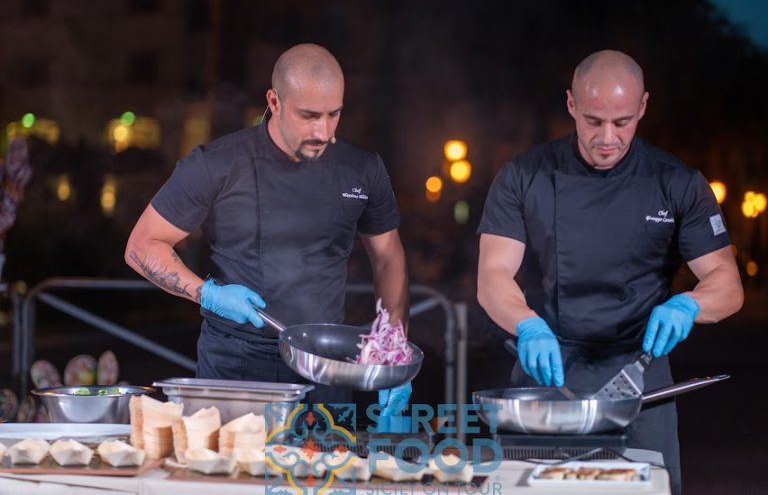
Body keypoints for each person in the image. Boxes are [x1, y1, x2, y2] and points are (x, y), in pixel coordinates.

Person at [476, 50, 743, 495]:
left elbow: (727, 283)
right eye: (593, 120)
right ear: (571, 106)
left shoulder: (676, 183)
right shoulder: (525, 176)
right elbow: (493, 274)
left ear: (642, 108)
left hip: (639, 384)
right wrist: (527, 325)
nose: (606, 137)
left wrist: (688, 303)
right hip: (548, 380)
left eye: (621, 122)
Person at [125, 43, 412, 419]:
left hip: (326, 369)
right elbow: (142, 245)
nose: (323, 131)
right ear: (274, 102)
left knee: (325, 475)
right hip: (236, 369)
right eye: (308, 116)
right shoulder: (218, 164)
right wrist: (207, 293)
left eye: (333, 114)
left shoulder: (363, 170)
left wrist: (394, 347)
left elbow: (388, 257)